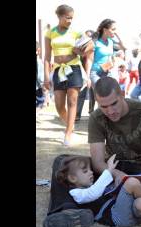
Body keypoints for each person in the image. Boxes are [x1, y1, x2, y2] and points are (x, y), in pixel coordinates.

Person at [88, 76, 141, 203]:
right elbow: (98, 162)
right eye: (104, 106)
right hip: (113, 167)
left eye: (114, 104)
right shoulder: (96, 117)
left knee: (139, 200)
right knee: (71, 169)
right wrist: (117, 174)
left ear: (122, 94)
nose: (110, 111)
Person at [56, 154, 141, 227]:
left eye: (90, 169)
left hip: (130, 215)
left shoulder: (89, 185)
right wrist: (109, 171)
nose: (91, 172)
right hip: (116, 217)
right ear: (72, 178)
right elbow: (93, 193)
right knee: (131, 182)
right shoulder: (76, 193)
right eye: (85, 171)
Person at [43, 4, 93, 146]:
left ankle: (68, 133)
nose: (70, 20)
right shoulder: (50, 33)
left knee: (72, 101)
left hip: (74, 68)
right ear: (59, 16)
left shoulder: (76, 32)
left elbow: (90, 47)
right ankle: (69, 125)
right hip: (59, 70)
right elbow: (47, 57)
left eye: (72, 18)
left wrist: (81, 51)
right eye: (67, 18)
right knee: (59, 105)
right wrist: (47, 77)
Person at [89, 19, 126, 113]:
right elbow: (89, 59)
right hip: (96, 73)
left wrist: (117, 34)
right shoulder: (95, 42)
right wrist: (87, 76)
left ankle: (110, 117)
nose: (115, 31)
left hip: (108, 72)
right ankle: (100, 119)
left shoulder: (111, 41)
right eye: (113, 29)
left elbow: (124, 47)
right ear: (105, 30)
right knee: (101, 96)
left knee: (112, 95)